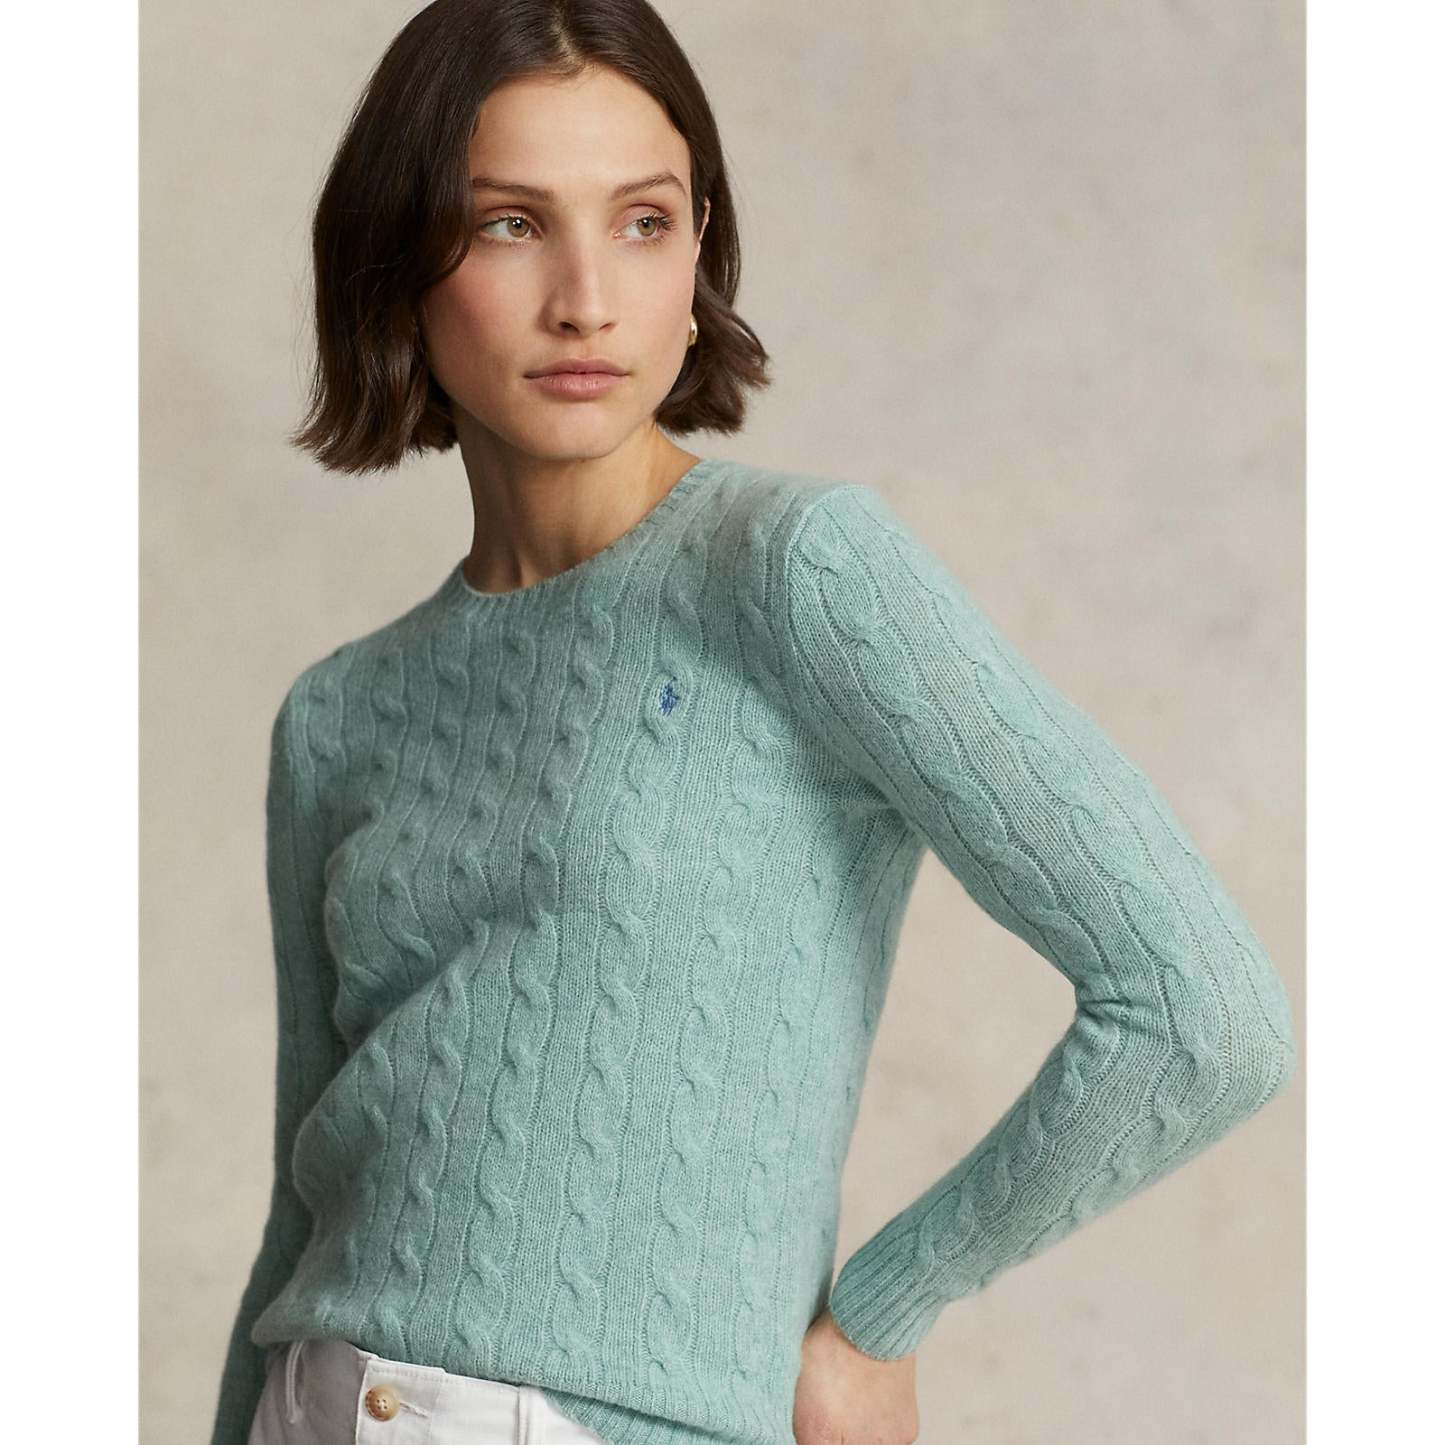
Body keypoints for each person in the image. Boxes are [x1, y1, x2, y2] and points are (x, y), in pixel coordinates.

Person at [209, 2, 1299, 1443]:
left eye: (643, 222)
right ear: (397, 258)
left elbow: (1204, 1012)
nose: (587, 298)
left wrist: (884, 1309)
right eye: (510, 225)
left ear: (699, 252)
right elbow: (299, 1208)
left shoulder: (793, 572)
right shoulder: (338, 714)